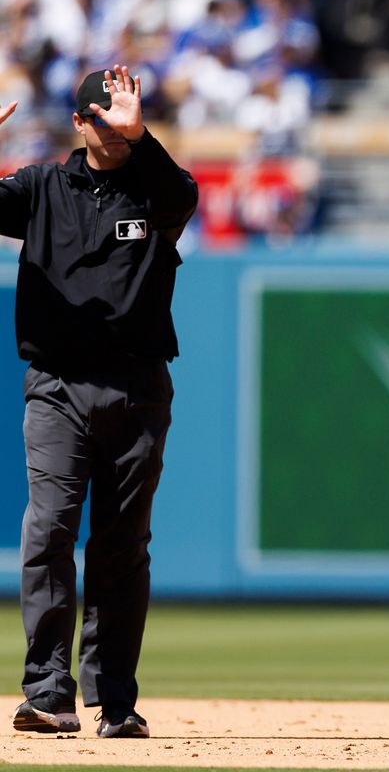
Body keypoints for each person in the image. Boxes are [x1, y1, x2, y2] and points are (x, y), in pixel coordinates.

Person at [0, 66, 198, 738]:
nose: (117, 131)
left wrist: (142, 138)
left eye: (128, 122)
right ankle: (49, 694)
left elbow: (180, 194)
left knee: (121, 545)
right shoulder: (39, 187)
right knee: (48, 527)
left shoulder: (152, 188)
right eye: (105, 119)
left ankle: (115, 702)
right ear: (81, 122)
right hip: (57, 384)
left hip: (138, 388)